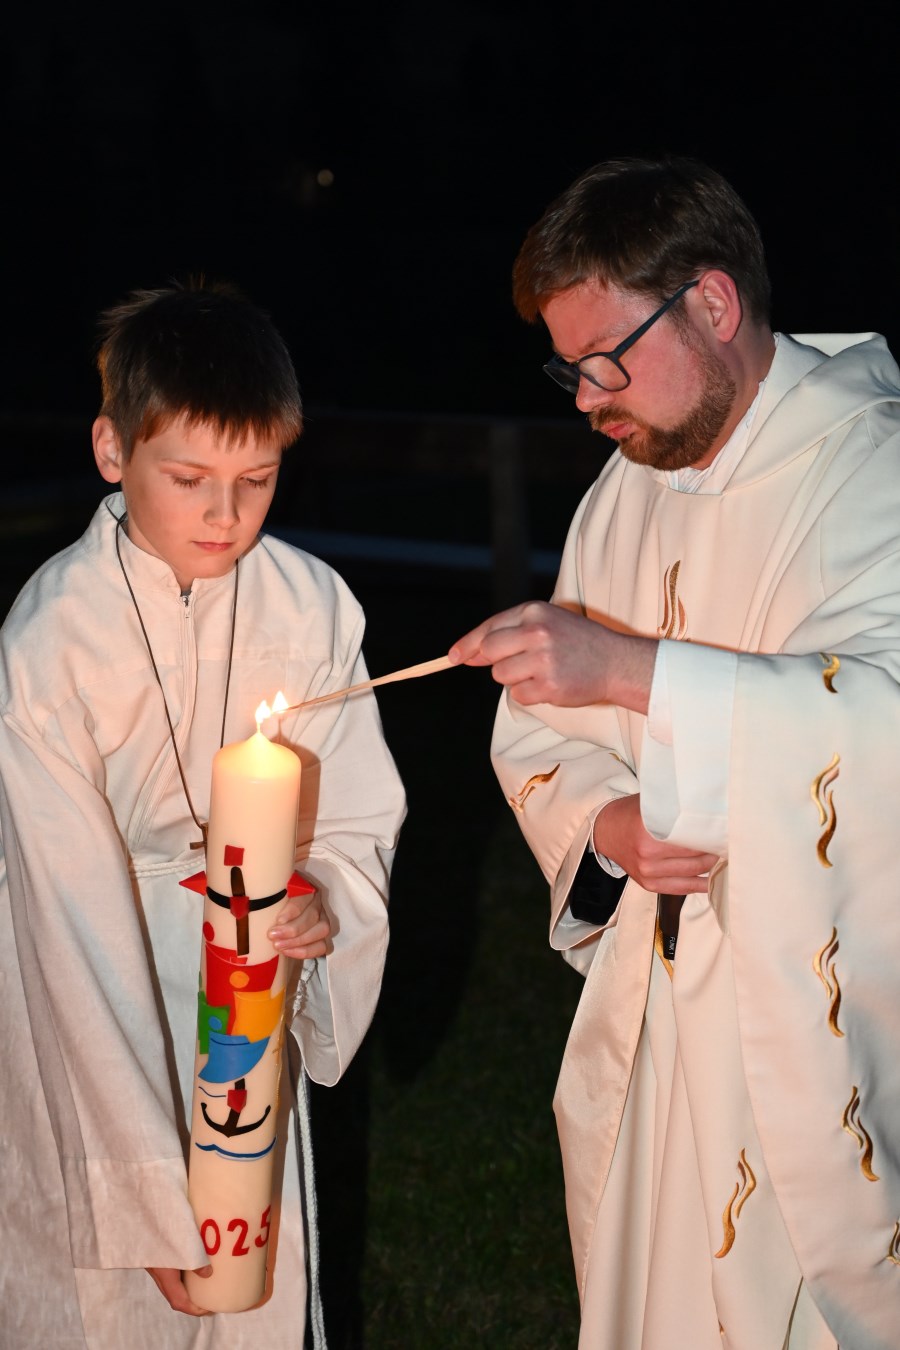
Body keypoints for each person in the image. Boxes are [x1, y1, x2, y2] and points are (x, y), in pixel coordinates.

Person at [449, 158, 900, 1349]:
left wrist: (637, 675)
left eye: (611, 358)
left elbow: (887, 714)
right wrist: (607, 828)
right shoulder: (625, 488)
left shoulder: (873, 468)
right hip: (658, 1018)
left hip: (825, 1019)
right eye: (569, 367)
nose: (588, 397)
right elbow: (548, 724)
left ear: (711, 302)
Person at [0, 282, 406, 1348]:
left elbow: (356, 810)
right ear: (110, 450)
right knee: (108, 1306)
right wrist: (146, 1200)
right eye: (188, 479)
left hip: (246, 994)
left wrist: (324, 901)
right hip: (93, 1001)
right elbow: (68, 918)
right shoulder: (53, 640)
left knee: (252, 1308)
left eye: (257, 479)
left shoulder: (308, 606)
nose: (226, 516)